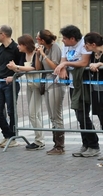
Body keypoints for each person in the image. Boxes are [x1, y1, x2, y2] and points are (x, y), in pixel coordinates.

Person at [54, 25, 98, 157]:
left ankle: (94, 145)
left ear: (73, 39)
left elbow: (84, 62)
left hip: (84, 83)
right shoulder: (66, 46)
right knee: (79, 116)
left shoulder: (84, 44)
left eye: (65, 38)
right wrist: (62, 66)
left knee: (83, 115)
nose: (62, 41)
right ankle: (85, 144)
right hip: (74, 84)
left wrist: (65, 65)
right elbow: (63, 59)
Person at [7, 34, 45, 151]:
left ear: (25, 45)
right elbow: (22, 69)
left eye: (19, 44)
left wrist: (16, 66)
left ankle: (40, 141)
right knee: (36, 113)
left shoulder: (35, 53)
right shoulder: (24, 55)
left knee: (33, 114)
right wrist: (14, 70)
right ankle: (38, 139)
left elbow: (34, 68)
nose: (18, 46)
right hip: (30, 85)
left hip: (38, 85)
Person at [35, 29, 66, 155]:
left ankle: (60, 146)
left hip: (56, 83)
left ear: (42, 39)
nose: (36, 39)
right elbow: (38, 68)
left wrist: (43, 54)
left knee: (56, 115)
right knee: (52, 115)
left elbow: (55, 67)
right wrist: (38, 54)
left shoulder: (55, 48)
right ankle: (56, 144)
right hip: (47, 84)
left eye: (37, 38)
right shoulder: (45, 49)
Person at [0, 25, 24, 148]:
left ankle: (13, 137)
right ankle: (7, 135)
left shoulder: (16, 48)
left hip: (11, 83)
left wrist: (14, 76)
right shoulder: (0, 49)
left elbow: (22, 67)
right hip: (0, 83)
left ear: (4, 34)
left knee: (11, 111)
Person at [84, 32, 103, 161]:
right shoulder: (92, 55)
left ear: (93, 44)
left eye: (86, 44)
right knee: (102, 120)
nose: (85, 46)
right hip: (97, 91)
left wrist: (100, 64)